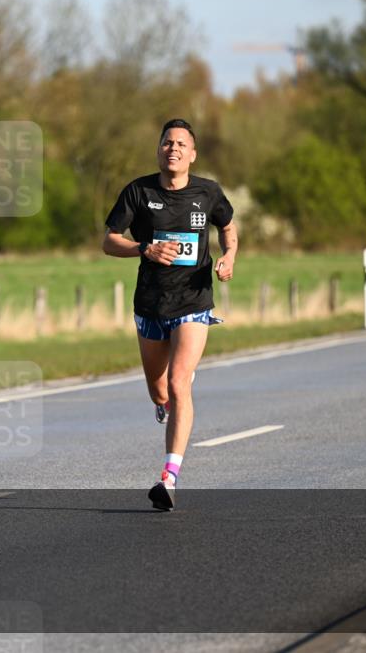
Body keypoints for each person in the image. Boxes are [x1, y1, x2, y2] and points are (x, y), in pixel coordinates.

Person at [101, 118, 238, 511]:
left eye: (181, 143)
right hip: (150, 304)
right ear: (159, 150)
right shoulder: (138, 191)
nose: (173, 148)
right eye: (166, 143)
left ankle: (169, 478)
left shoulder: (208, 192)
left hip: (194, 301)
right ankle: (163, 402)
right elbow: (109, 241)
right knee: (160, 391)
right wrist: (143, 248)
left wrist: (229, 256)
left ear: (192, 154)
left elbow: (228, 227)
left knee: (180, 384)